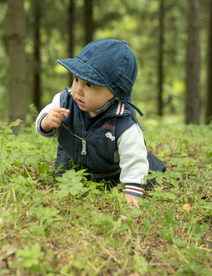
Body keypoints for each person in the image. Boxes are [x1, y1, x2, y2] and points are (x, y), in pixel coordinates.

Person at [36, 39, 166, 207]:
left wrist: (133, 189)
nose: (78, 90)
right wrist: (47, 122)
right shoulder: (64, 101)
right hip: (72, 158)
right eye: (76, 79)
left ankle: (136, 175)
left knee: (140, 168)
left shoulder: (123, 122)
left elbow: (133, 156)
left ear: (116, 94)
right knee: (60, 181)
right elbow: (44, 120)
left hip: (111, 169)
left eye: (89, 84)